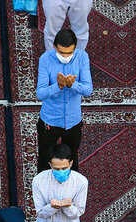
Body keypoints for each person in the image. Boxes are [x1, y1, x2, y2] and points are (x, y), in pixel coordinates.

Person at [36, 29, 92, 173]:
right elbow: (41, 94)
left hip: (73, 121)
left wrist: (72, 84)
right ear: (54, 47)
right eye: (61, 52)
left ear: (75, 48)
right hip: (50, 120)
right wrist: (58, 86)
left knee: (72, 156)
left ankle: (71, 187)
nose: (65, 56)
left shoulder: (82, 57)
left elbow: (88, 90)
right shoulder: (45, 59)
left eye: (69, 53)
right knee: (45, 157)